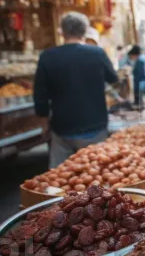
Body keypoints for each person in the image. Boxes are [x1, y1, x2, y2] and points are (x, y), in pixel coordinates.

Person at [34, 12, 118, 168]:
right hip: (94, 126)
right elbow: (113, 79)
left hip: (62, 128)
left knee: (60, 179)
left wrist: (44, 124)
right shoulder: (97, 53)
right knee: (97, 176)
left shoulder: (47, 57)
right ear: (85, 31)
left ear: (62, 32)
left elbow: (40, 96)